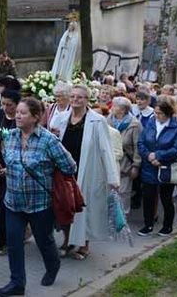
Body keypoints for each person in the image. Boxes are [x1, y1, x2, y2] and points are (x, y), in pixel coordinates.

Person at [0, 98, 77, 297]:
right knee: (14, 243)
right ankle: (17, 283)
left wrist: (49, 173)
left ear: (35, 117)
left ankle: (53, 264)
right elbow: (8, 158)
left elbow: (70, 166)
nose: (17, 116)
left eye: (23, 113)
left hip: (40, 204)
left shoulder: (48, 140)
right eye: (17, 112)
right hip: (13, 202)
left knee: (44, 240)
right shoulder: (11, 136)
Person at [59, 85, 119, 260]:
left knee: (84, 207)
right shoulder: (61, 118)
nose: (75, 100)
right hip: (65, 170)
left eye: (80, 97)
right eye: (73, 96)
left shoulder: (97, 120)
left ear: (87, 100)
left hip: (87, 169)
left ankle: (84, 244)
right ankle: (67, 240)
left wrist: (112, 177)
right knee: (65, 206)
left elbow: (106, 149)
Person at [137, 95, 177, 237]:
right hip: (149, 166)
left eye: (160, 114)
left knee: (166, 198)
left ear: (168, 114)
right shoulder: (151, 123)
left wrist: (159, 156)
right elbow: (141, 143)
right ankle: (148, 224)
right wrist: (148, 156)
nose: (157, 116)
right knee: (148, 197)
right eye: (155, 113)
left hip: (166, 168)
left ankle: (167, 225)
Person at [0, 90, 21, 255]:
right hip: (2, 166)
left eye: (10, 105)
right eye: (4, 104)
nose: (6, 107)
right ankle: (2, 241)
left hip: (17, 168)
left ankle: (22, 234)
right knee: (3, 205)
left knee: (17, 207)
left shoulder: (21, 117)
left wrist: (12, 167)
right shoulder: (1, 115)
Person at [109, 97, 142, 215]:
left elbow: (138, 147)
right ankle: (111, 220)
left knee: (123, 193)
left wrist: (136, 166)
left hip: (125, 165)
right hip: (110, 163)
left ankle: (123, 219)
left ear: (122, 110)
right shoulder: (108, 120)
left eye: (114, 106)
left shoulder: (134, 124)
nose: (111, 108)